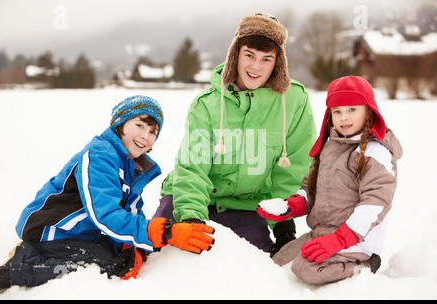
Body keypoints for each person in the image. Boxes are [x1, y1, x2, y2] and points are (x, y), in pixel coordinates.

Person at [0, 95, 215, 292]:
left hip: (87, 234)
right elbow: (104, 214)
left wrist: (133, 248)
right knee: (107, 266)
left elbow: (131, 213)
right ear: (121, 124)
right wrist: (163, 232)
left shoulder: (134, 167)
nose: (146, 136)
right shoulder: (100, 154)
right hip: (54, 231)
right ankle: (24, 265)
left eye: (153, 132)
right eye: (140, 125)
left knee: (123, 260)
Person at [153, 13, 316, 254]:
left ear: (277, 63)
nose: (255, 66)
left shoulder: (293, 102)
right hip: (188, 198)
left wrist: (282, 224)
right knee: (160, 256)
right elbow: (192, 167)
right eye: (249, 55)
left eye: (266, 59)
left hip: (244, 205)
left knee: (258, 267)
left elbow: (293, 167)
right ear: (235, 54)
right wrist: (191, 218)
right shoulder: (206, 104)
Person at [257, 76, 403, 285]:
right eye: (338, 111)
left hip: (356, 239)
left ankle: (366, 266)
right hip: (322, 233)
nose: (344, 118)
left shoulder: (375, 153)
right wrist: (293, 205)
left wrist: (341, 238)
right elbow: (311, 187)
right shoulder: (330, 147)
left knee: (306, 270)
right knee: (278, 262)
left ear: (369, 110)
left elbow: (375, 203)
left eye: (352, 110)